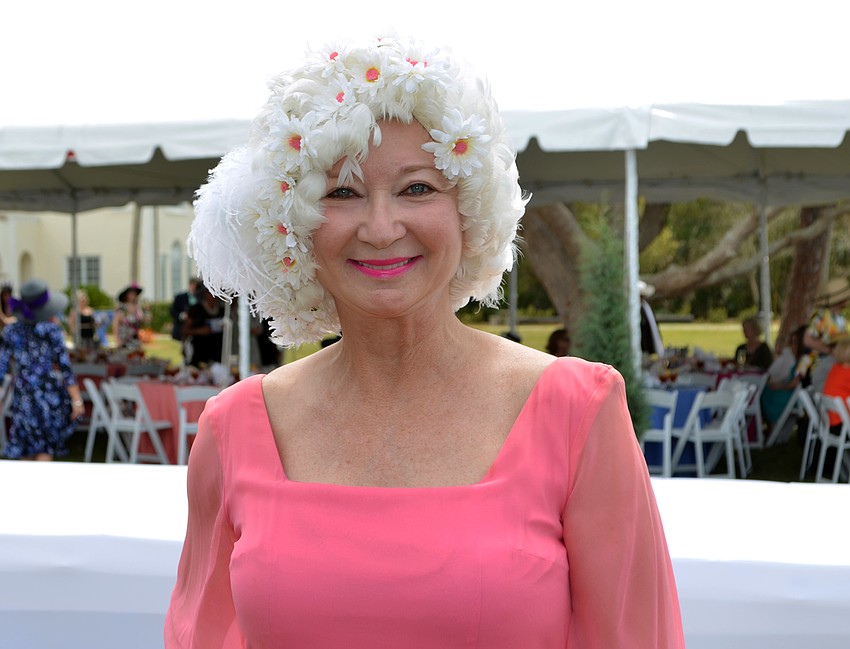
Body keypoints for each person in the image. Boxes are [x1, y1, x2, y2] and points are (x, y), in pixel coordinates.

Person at [166, 34, 684, 648]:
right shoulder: (235, 429)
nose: (381, 228)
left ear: (469, 209)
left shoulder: (575, 409)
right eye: (341, 192)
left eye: (417, 188)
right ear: (293, 224)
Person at [0, 279, 84, 460]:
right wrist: (76, 400)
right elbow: (65, 368)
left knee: (26, 448)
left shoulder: (10, 331)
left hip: (23, 396)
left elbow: (1, 367)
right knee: (44, 448)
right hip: (47, 395)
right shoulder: (52, 331)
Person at [803, 276, 850, 392]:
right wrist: (829, 350)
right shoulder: (822, 315)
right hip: (823, 364)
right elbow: (807, 339)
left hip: (835, 364)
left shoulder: (840, 318)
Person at [760, 325, 808, 427]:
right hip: (786, 390)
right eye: (791, 342)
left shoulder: (805, 360)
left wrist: (780, 386)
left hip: (790, 395)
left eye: (795, 342)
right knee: (765, 391)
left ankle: (770, 426)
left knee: (769, 395)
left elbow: (795, 382)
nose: (792, 346)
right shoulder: (798, 358)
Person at [182, 284, 226, 368]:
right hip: (199, 351)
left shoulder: (222, 310)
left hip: (218, 352)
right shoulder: (195, 309)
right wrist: (199, 331)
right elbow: (185, 330)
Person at [112, 283, 146, 351]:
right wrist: (117, 339)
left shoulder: (138, 308)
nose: (133, 296)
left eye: (135, 294)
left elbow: (141, 322)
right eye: (131, 294)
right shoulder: (121, 307)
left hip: (135, 337)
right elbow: (115, 324)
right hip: (124, 337)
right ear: (126, 295)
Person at [170, 277, 201, 343]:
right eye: (193, 285)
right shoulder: (180, 297)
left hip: (196, 330)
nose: (194, 288)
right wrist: (181, 315)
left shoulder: (201, 298)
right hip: (181, 329)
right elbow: (173, 310)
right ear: (189, 285)